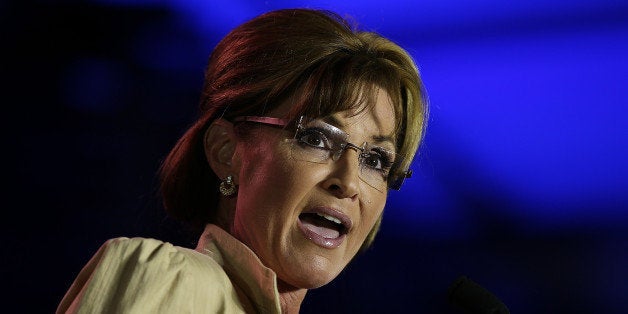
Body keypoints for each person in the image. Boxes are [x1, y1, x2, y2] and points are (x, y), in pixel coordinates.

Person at [57, 8, 428, 313]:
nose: (348, 182)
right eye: (317, 138)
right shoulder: (178, 282)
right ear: (226, 152)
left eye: (377, 160)